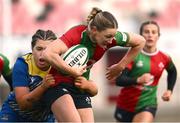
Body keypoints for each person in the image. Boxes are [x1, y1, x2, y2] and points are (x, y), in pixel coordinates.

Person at [42, 7, 145, 122]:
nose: (111, 41)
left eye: (112, 36)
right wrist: (72, 71)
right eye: (108, 37)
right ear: (95, 30)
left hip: (79, 87)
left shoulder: (111, 37)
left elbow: (140, 41)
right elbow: (48, 53)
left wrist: (120, 66)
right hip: (57, 85)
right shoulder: (77, 34)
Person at [114, 20, 177, 122]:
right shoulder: (133, 56)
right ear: (141, 35)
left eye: (153, 32)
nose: (150, 35)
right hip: (125, 104)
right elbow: (119, 80)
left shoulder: (165, 58)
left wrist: (169, 90)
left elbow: (172, 71)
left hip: (147, 104)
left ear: (158, 36)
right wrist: (138, 80)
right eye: (146, 32)